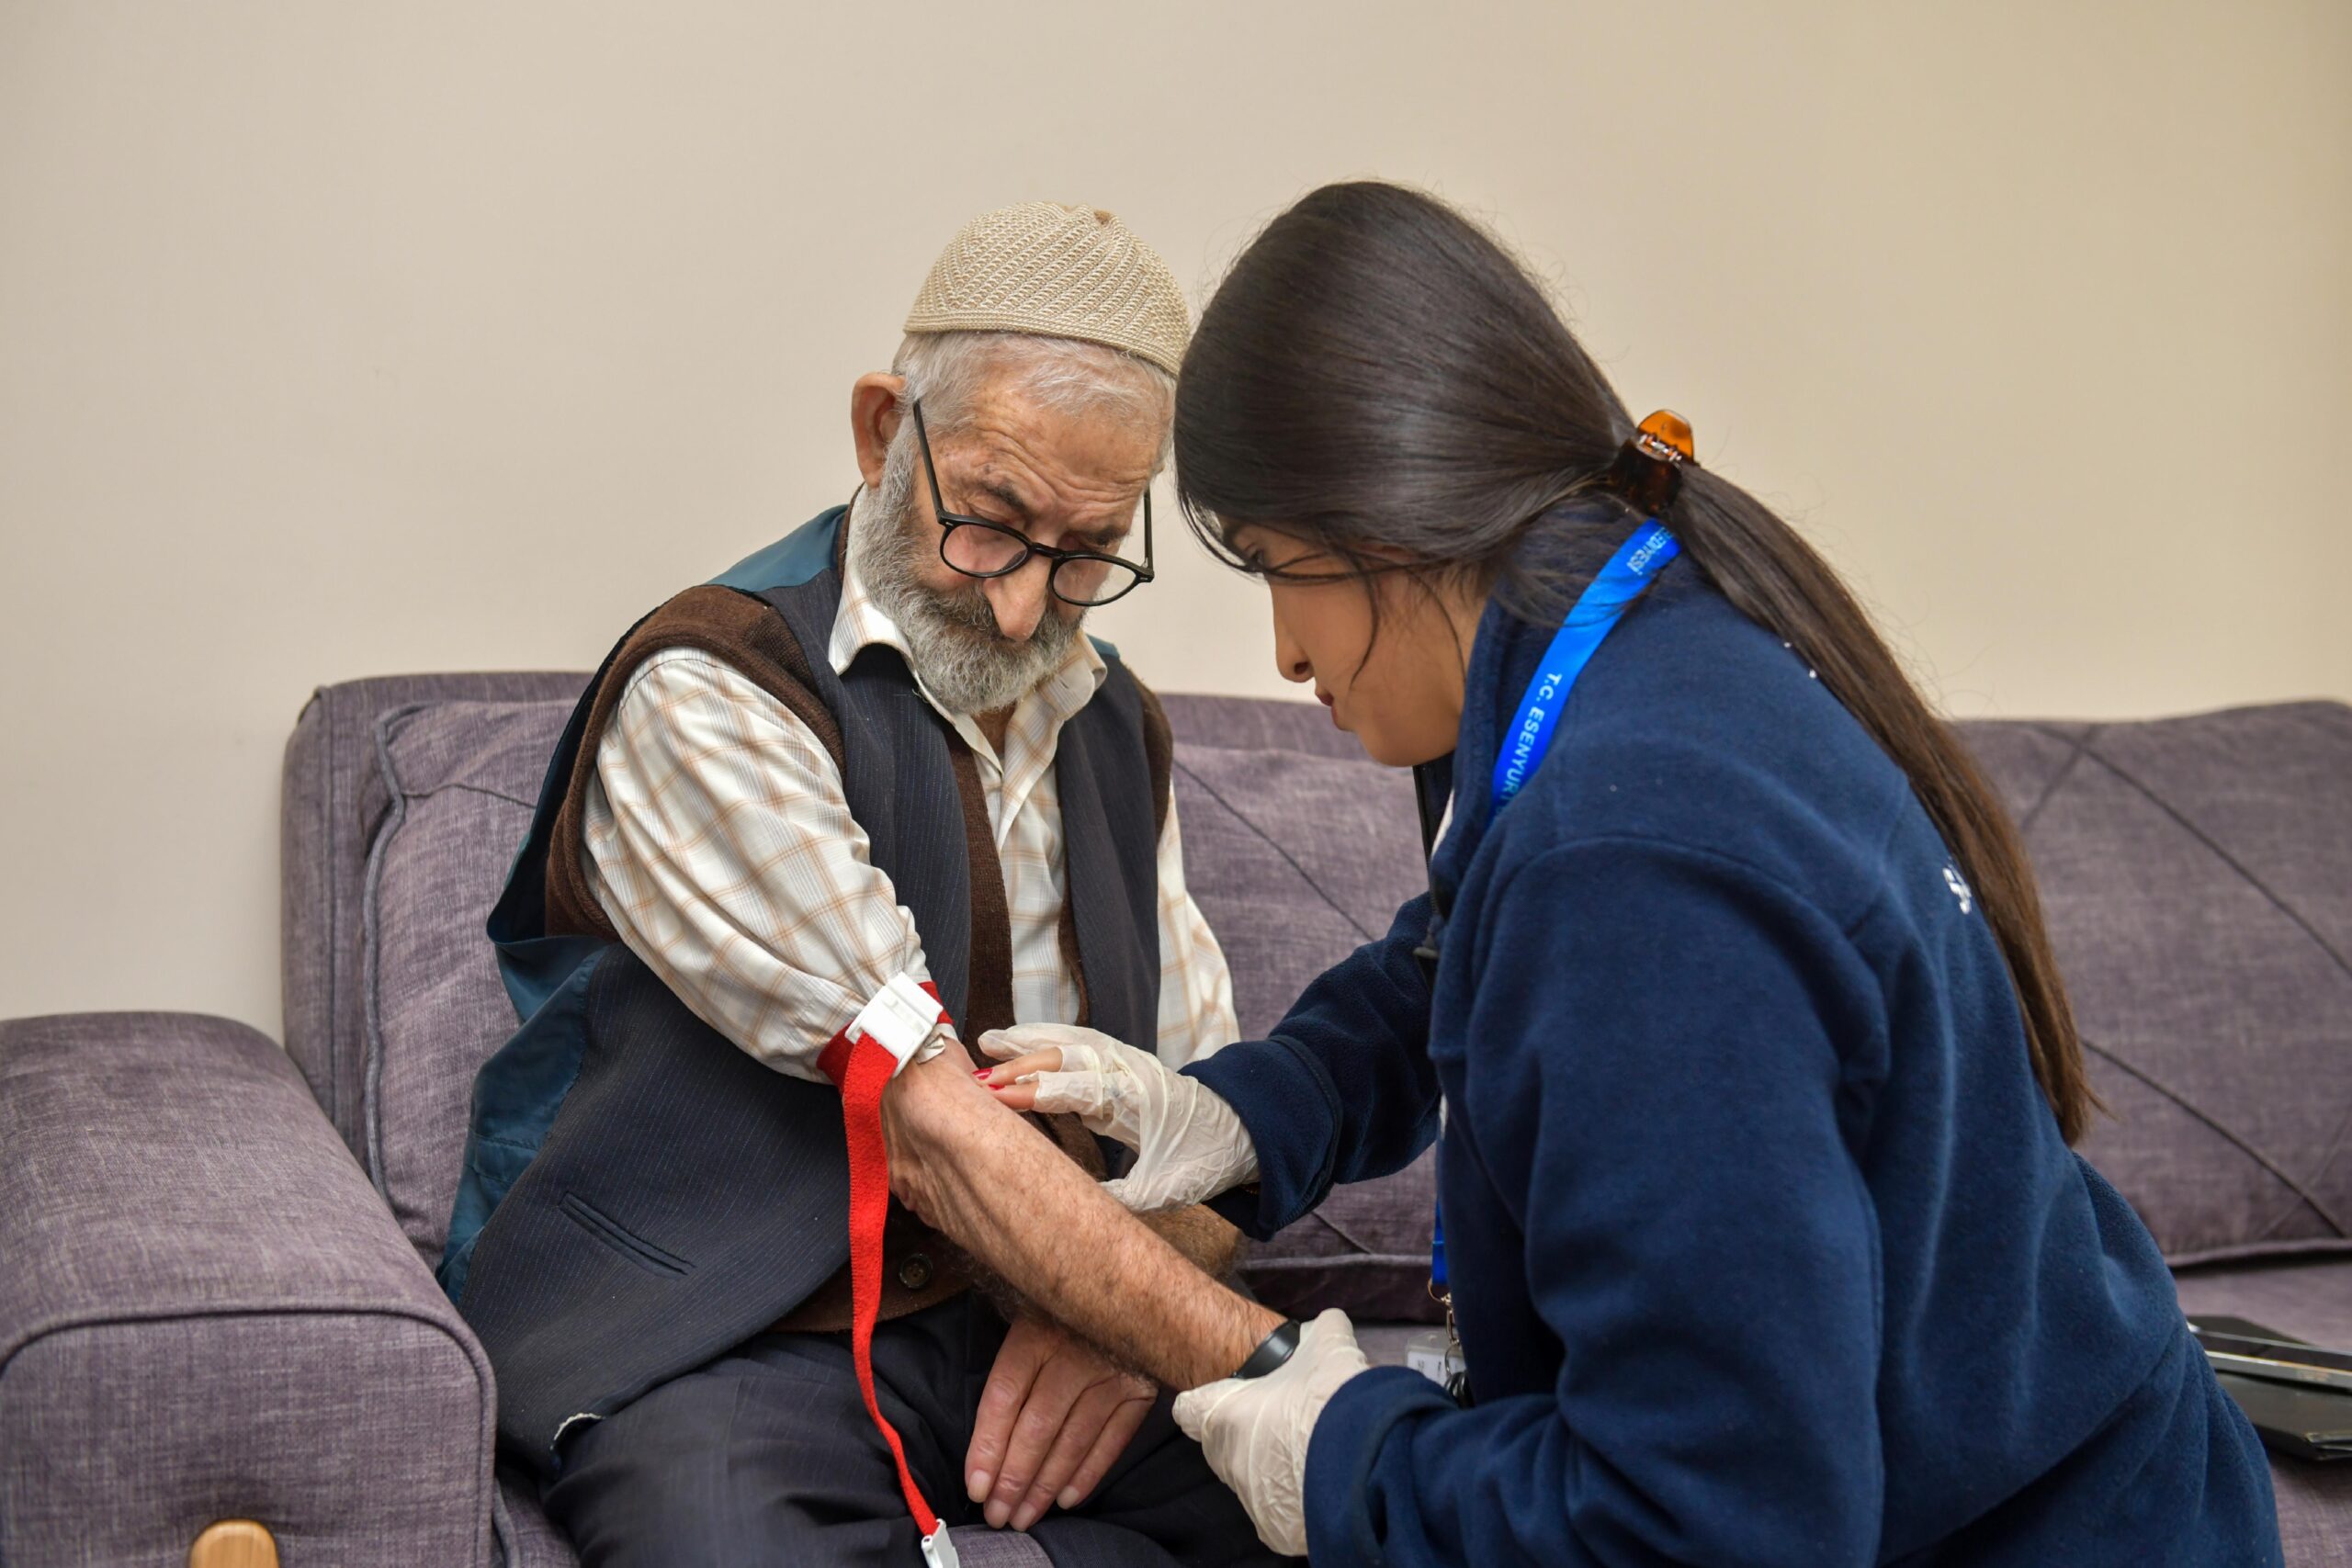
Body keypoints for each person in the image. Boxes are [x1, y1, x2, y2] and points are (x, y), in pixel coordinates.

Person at [881, 182, 2287, 1565]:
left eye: (1273, 570)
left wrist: (1345, 1448)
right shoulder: (1645, 664)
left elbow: (1707, 1527)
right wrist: (1248, 1115)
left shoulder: (1636, 864)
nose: (1287, 654)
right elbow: (1464, 952)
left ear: (1384, 527)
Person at [435, 201, 1283, 1568]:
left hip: (1039, 1328)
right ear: (885, 432)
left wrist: (1133, 1324)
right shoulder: (712, 687)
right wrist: (1257, 1363)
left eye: (1085, 553)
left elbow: (1209, 1115)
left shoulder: (1117, 720)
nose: (1021, 607)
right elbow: (928, 1122)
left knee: (1365, 1513)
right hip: (728, 1334)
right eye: (991, 523)